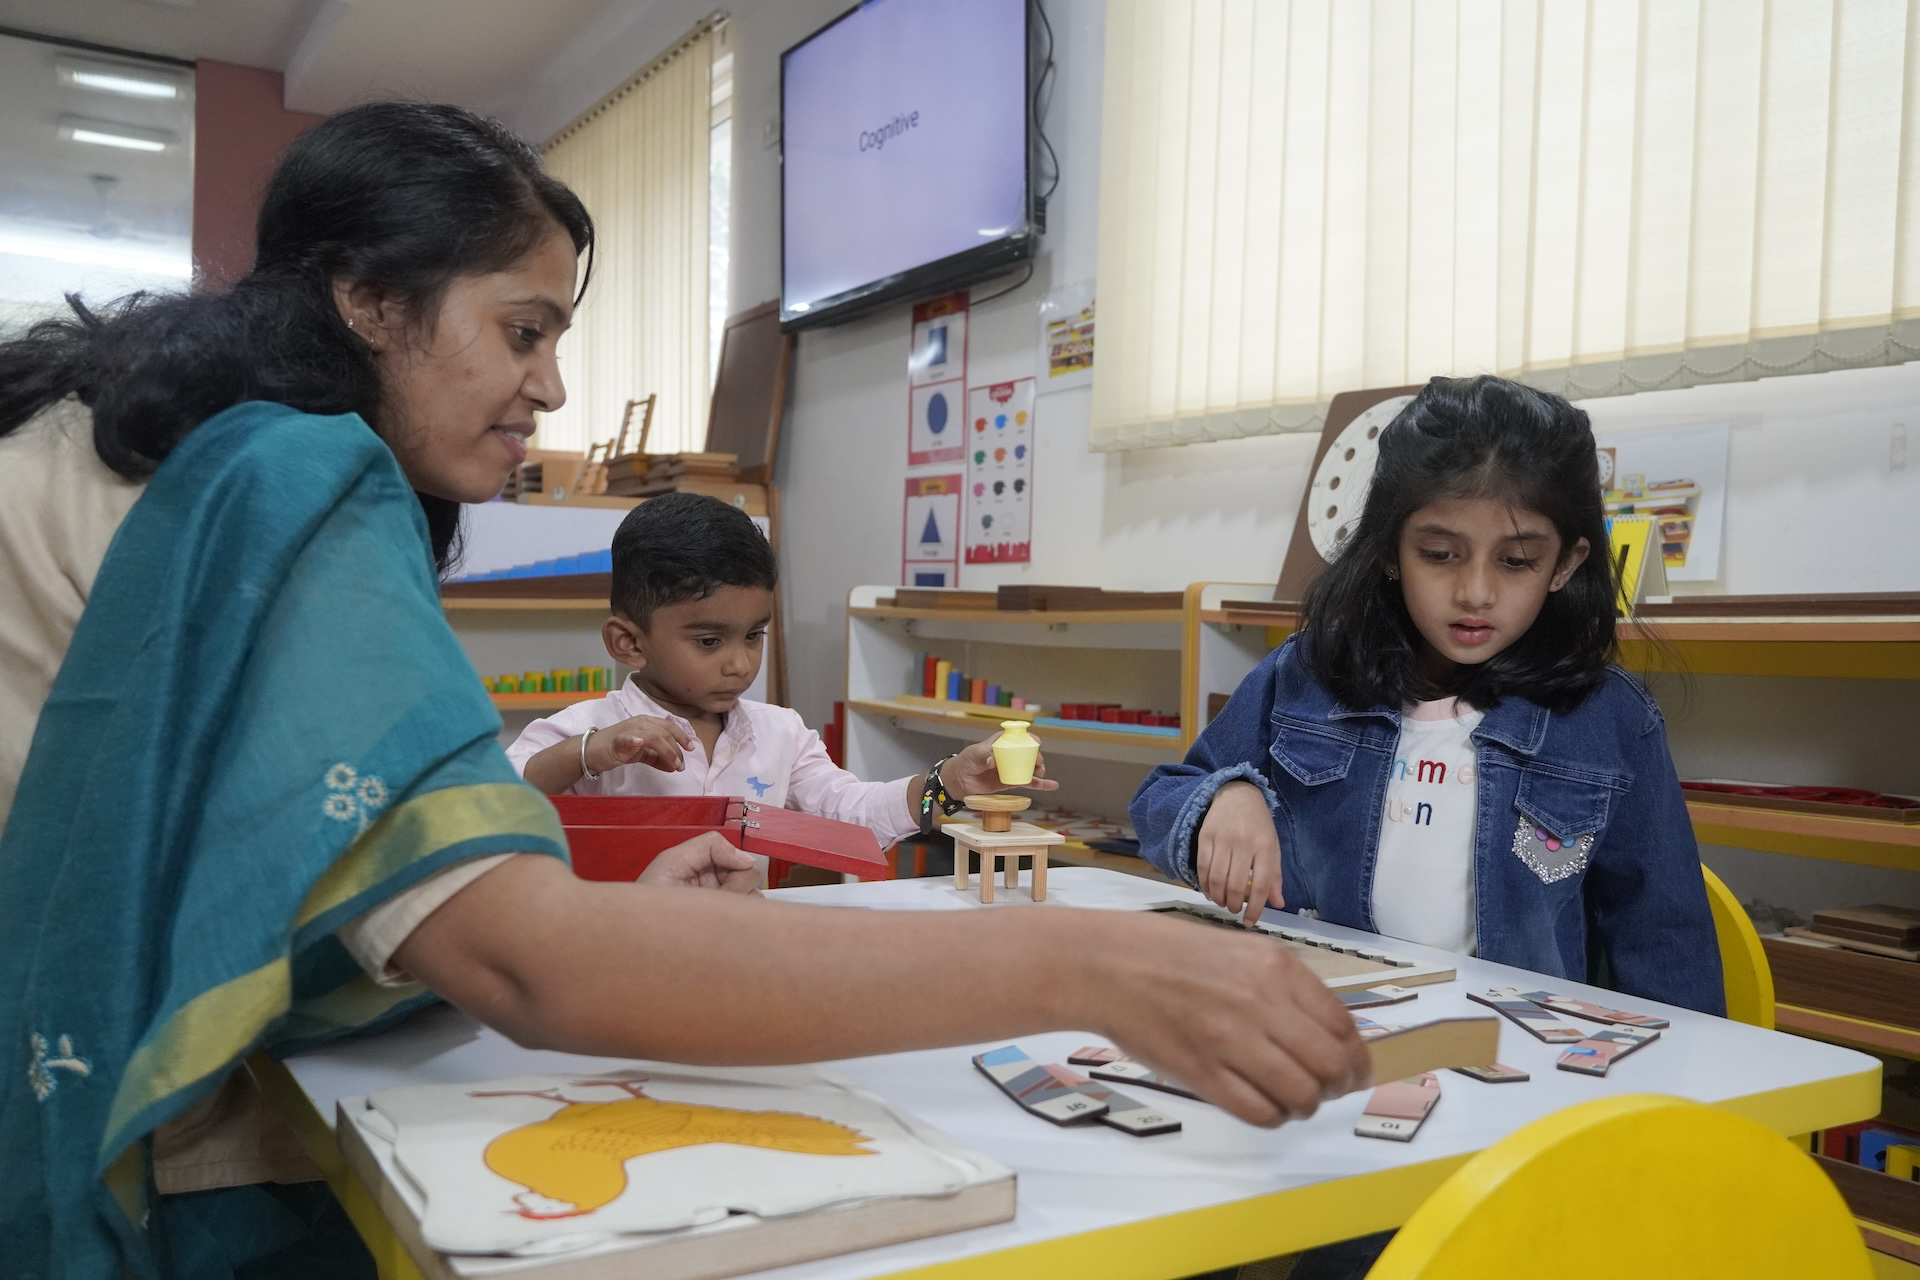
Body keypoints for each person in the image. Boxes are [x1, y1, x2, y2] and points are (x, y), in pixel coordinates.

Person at [0, 103, 1368, 1279]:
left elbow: (265, 852)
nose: (553, 383)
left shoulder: (144, 445)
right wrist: (1086, 961)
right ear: (363, 297)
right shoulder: (292, 481)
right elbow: (524, 956)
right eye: (521, 329)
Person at [1132, 375, 1723, 1016]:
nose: (1475, 592)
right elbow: (1158, 801)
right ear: (1391, 549)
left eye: (1516, 561)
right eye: (1440, 554)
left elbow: (1665, 939)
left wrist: (1683, 1100)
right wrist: (1226, 793)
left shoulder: (1608, 718)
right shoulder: (1308, 674)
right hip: (1319, 1025)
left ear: (1566, 564)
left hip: (1517, 1057)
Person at [510, 491, 1039, 855]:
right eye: (709, 641)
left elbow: (851, 814)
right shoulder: (588, 729)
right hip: (617, 958)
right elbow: (497, 802)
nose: (740, 663)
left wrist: (947, 784)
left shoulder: (779, 733)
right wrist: (589, 751)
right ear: (628, 642)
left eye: (754, 635)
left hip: (743, 952)